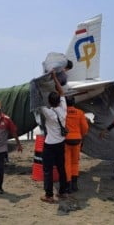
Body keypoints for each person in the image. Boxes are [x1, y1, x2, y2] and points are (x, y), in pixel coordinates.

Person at [40, 71, 68, 203]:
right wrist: (55, 78)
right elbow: (62, 92)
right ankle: (62, 192)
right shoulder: (63, 108)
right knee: (61, 168)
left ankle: (49, 195)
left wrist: (38, 86)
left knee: (48, 170)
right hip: (61, 143)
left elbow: (38, 101)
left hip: (50, 145)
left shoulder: (49, 113)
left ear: (50, 102)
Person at [64, 95, 89, 193]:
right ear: (74, 103)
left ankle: (68, 185)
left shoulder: (63, 113)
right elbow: (85, 128)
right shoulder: (80, 113)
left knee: (67, 163)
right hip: (77, 140)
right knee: (75, 163)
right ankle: (75, 185)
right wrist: (80, 134)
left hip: (66, 140)